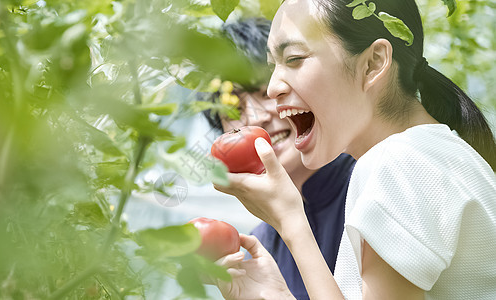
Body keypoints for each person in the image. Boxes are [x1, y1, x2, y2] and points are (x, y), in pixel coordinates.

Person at [212, 0, 496, 299]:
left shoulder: (397, 162)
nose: (272, 89)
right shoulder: (430, 152)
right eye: (273, 66)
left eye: (294, 59)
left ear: (373, 63)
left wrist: (291, 223)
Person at [203, 18, 356, 299]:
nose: (256, 117)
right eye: (233, 108)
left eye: (266, 92)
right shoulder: (260, 249)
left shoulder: (372, 183)